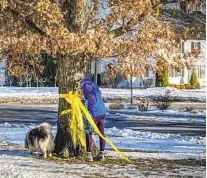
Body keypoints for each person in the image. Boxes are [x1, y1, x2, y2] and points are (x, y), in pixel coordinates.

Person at [74, 73, 106, 162]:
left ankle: (89, 154)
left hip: (94, 112)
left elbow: (91, 100)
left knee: (89, 132)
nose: (78, 86)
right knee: (101, 132)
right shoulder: (92, 84)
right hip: (102, 110)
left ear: (79, 81)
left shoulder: (85, 85)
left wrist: (81, 102)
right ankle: (102, 153)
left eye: (77, 84)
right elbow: (99, 94)